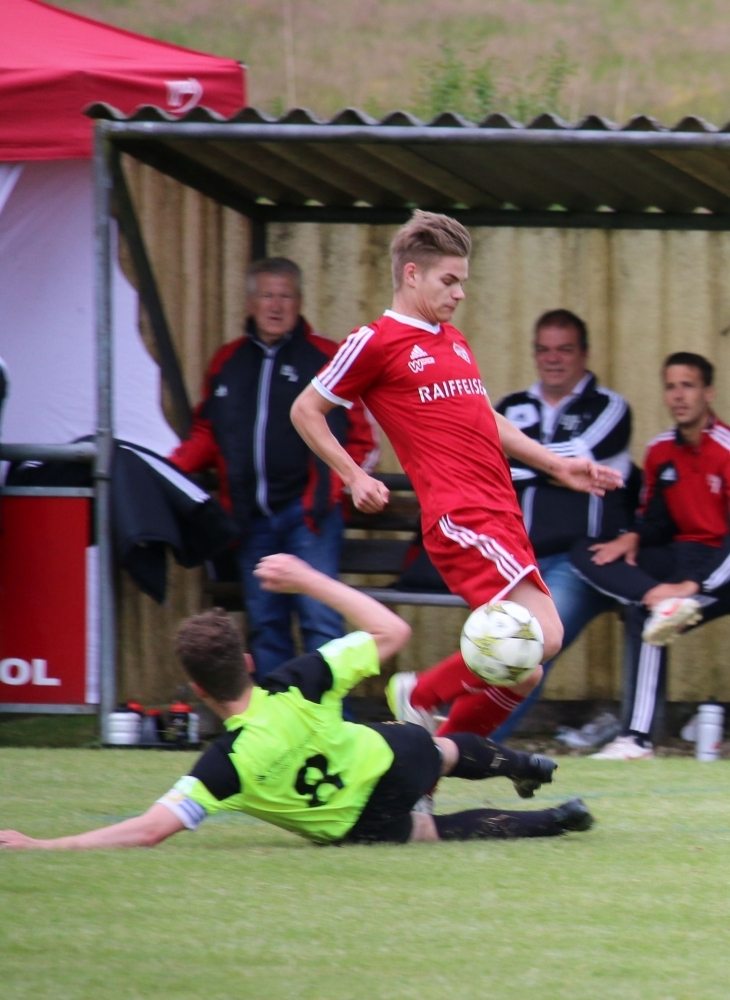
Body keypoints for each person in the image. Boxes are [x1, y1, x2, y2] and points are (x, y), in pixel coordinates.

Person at [291, 210, 622, 741]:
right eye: (449, 280)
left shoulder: (452, 340)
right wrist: (353, 475)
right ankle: (419, 695)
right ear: (412, 274)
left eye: (462, 281)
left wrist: (556, 464)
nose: (460, 293)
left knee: (522, 670)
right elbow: (306, 409)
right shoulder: (374, 341)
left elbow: (484, 417)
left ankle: (438, 760)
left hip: (501, 515)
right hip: (461, 515)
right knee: (543, 635)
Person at [0, 553, 594, 850]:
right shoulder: (297, 681)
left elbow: (151, 829)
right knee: (435, 749)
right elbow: (392, 631)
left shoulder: (224, 765)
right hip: (391, 757)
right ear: (248, 663)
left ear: (200, 690)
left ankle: (554, 820)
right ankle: (523, 764)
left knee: (431, 830)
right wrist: (309, 579)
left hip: (357, 822)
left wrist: (45, 844)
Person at [170, 257, 378, 680]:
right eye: (267, 295)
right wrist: (170, 470)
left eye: (285, 296)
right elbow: (208, 431)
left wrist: (334, 489)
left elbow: (364, 438)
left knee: (321, 622)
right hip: (250, 520)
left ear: (300, 302)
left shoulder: (326, 357)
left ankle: (331, 716)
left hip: (310, 518)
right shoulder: (228, 361)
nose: (276, 305)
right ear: (250, 303)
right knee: (266, 628)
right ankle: (278, 716)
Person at [571, 352, 730, 759]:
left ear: (708, 393)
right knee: (585, 550)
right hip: (678, 558)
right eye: (671, 387)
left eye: (688, 386)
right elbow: (657, 522)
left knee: (653, 614)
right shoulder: (659, 450)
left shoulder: (726, 449)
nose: (678, 396)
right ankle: (637, 742)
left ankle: (665, 601)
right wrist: (632, 538)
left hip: (720, 566)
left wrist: (692, 586)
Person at [489, 309, 634, 739]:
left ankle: (475, 742)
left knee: (528, 645)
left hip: (581, 559)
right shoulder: (512, 406)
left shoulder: (609, 407)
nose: (553, 359)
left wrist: (523, 460)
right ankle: (461, 738)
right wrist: (552, 465)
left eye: (564, 350)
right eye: (544, 349)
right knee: (493, 645)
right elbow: (487, 463)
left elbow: (581, 453)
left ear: (584, 354)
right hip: (517, 558)